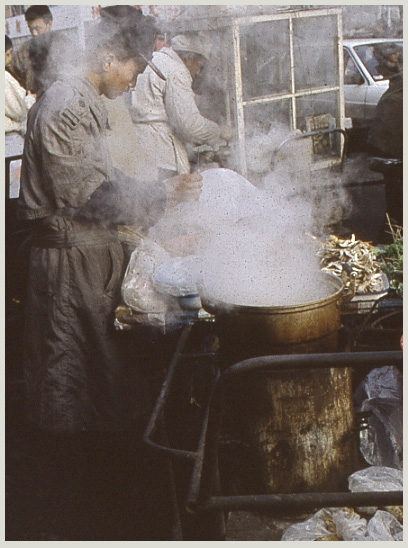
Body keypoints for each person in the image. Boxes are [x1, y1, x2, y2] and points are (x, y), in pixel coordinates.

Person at [17, 13, 202, 540]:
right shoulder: (63, 105)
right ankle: (66, 504)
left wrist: (160, 188)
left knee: (100, 373)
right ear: (106, 59)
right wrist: (162, 195)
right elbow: (90, 196)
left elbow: (109, 179)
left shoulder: (92, 103)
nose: (136, 79)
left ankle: (100, 482)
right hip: (69, 265)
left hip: (94, 257)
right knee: (68, 368)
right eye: (135, 68)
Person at [132, 32, 234, 181]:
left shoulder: (157, 59)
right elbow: (189, 126)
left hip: (140, 148)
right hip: (162, 154)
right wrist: (219, 131)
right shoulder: (177, 70)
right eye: (200, 66)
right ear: (188, 58)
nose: (198, 72)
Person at [367, 71, 403, 228]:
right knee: (396, 194)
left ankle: (391, 229)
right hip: (391, 149)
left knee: (395, 194)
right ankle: (391, 231)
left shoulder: (396, 93)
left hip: (389, 147)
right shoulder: (397, 99)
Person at [8, 5, 53, 92]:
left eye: (38, 28)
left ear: (49, 24)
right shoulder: (23, 52)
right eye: (30, 28)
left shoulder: (63, 45)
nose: (34, 33)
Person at [5, 35, 35, 136]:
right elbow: (19, 111)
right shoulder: (4, 77)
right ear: (8, 53)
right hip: (9, 134)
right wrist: (31, 98)